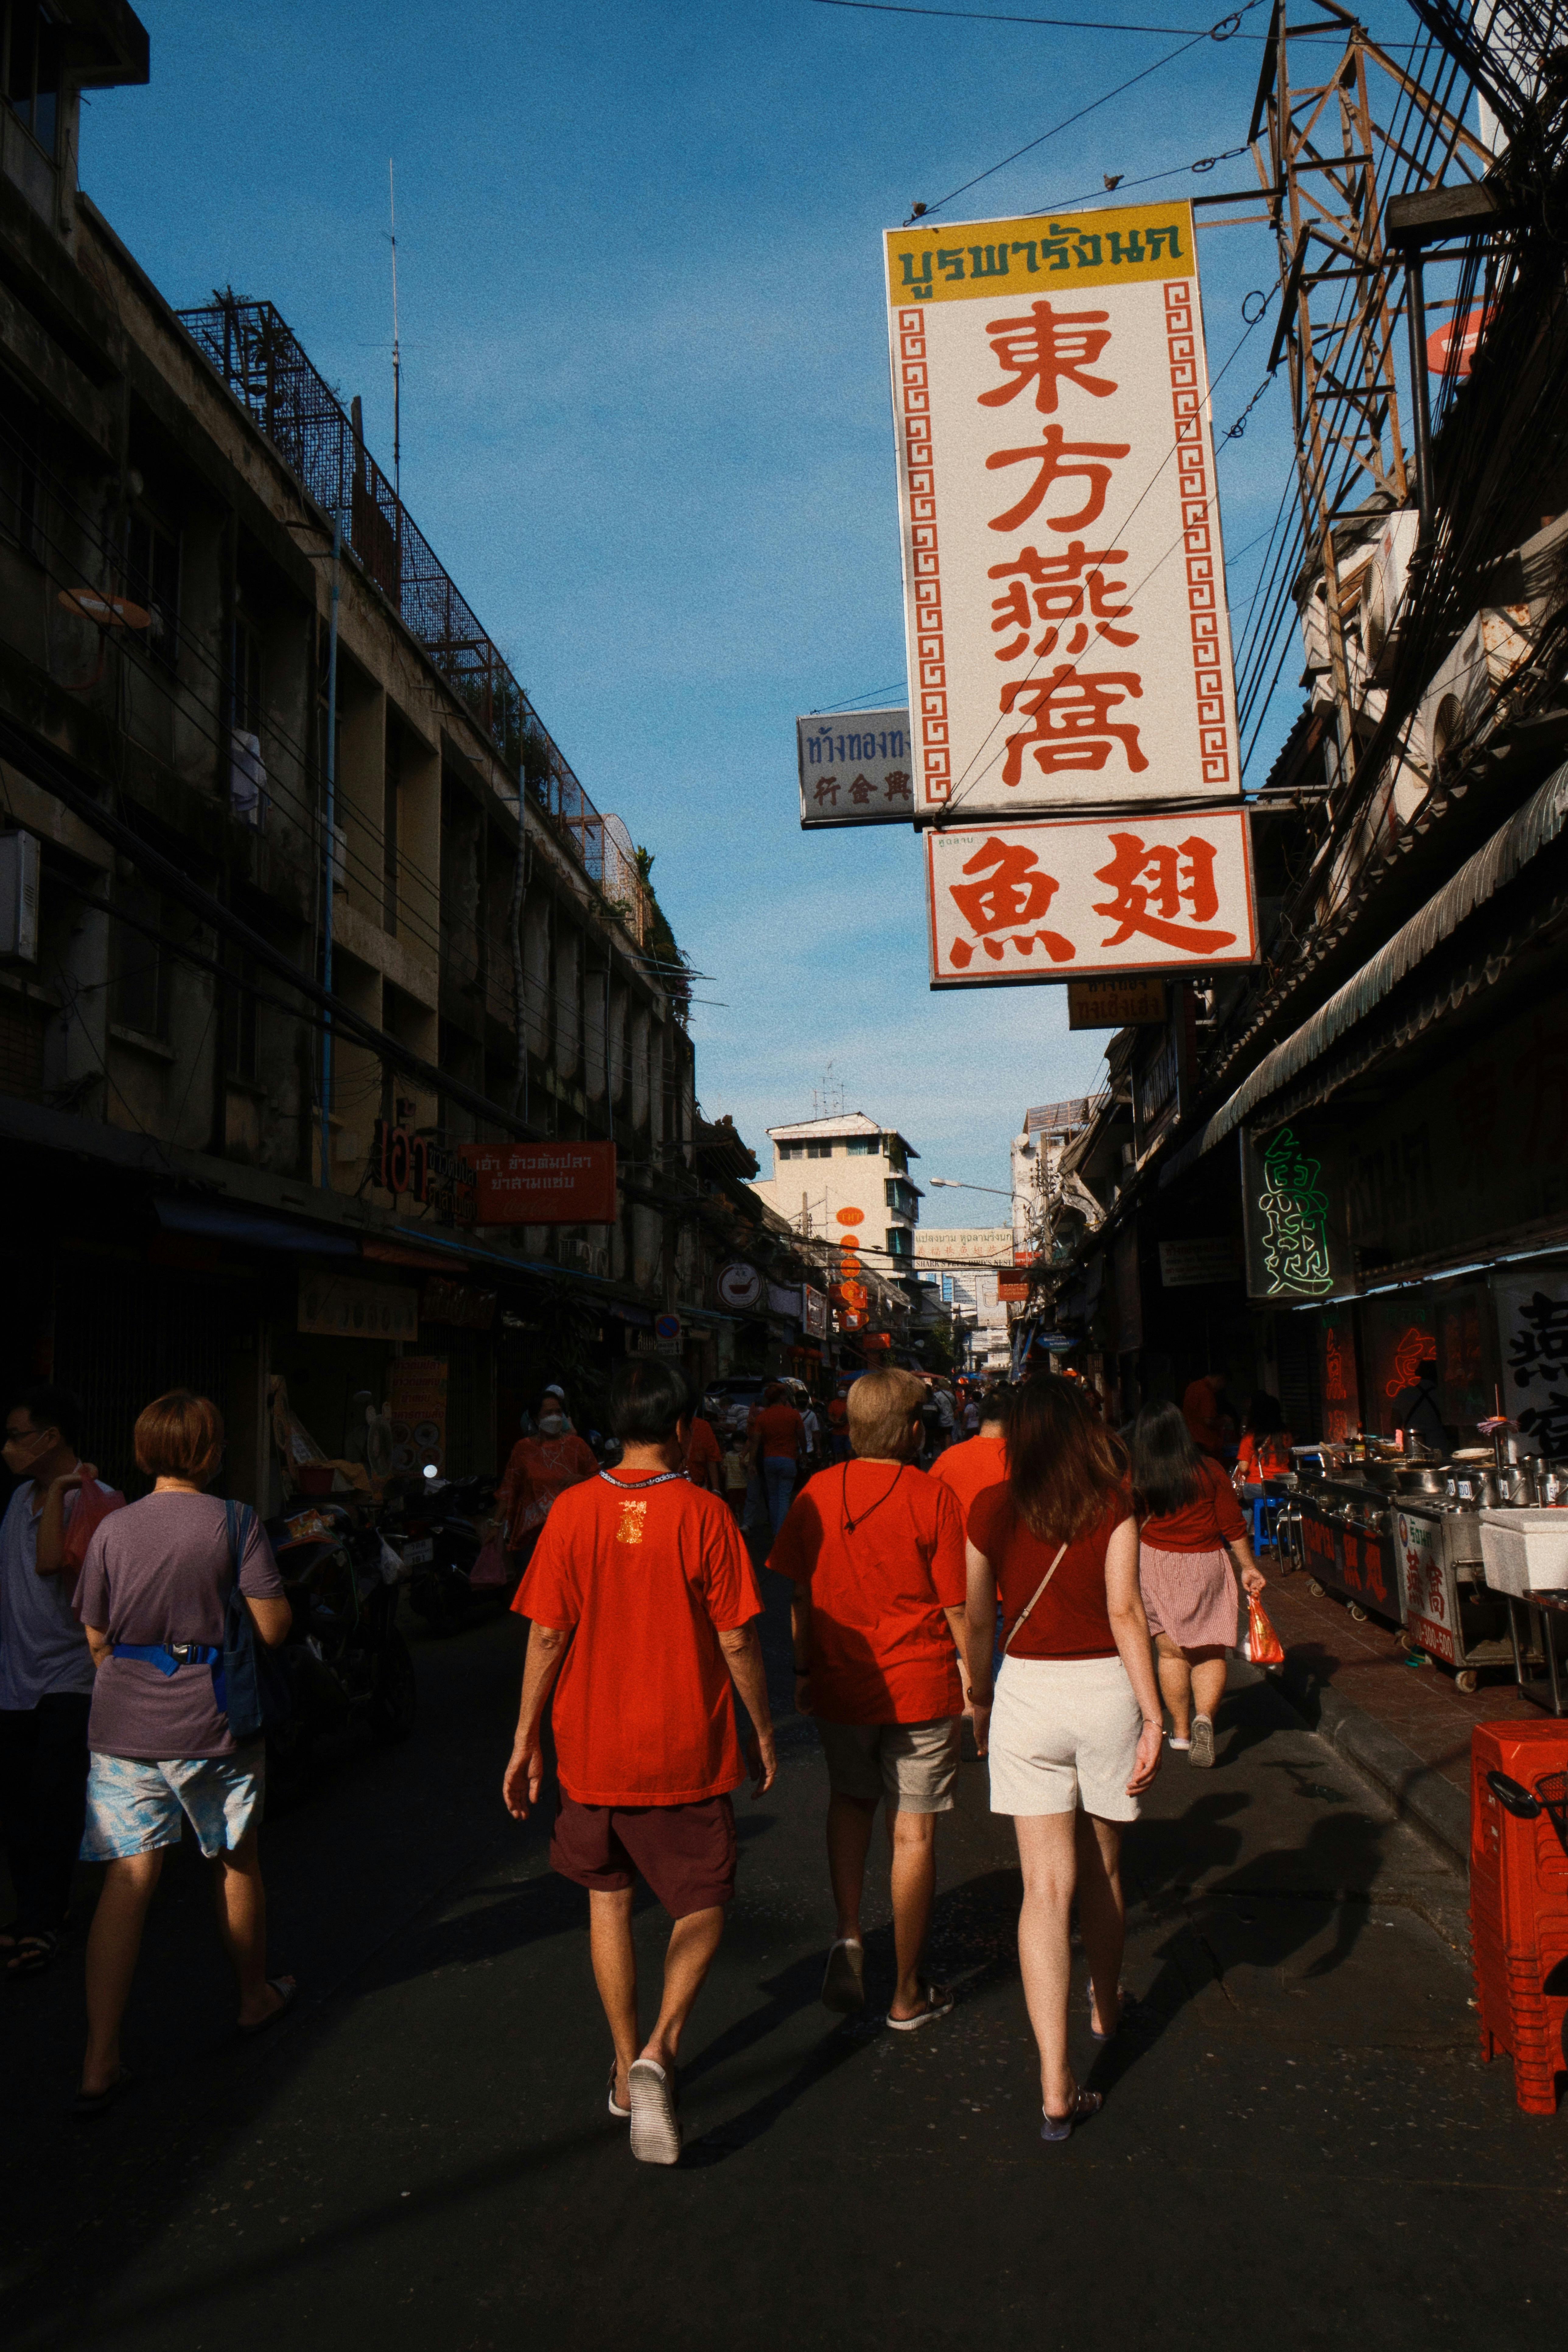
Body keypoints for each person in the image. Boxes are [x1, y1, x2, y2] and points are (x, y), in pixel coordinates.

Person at [503, 1360, 777, 2166]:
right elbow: (737, 1637)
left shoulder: (574, 1512)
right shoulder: (704, 1514)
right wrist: (763, 1727)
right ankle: (664, 2044)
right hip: (685, 1743)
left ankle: (626, 2071)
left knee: (607, 1900)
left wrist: (525, 1737)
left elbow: (548, 1632)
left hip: (590, 1745)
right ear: (681, 1426)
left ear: (613, 1425)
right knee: (702, 1901)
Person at [71, 1391, 294, 2115]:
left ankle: (100, 2058)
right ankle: (254, 1997)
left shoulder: (113, 1528)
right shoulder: (235, 1523)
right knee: (237, 1858)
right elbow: (273, 1629)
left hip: (122, 1727)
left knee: (129, 1880)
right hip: (213, 1725)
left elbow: (96, 1636)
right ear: (210, 1451)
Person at [964, 1376, 1164, 2144]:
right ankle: (1107, 2005)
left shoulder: (991, 1507)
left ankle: (1055, 2082)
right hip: (1104, 1693)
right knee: (1104, 1868)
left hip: (1027, 1696)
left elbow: (979, 1614)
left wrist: (979, 1696)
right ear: (1084, 1429)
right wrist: (1154, 1715)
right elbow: (1125, 1611)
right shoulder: (1113, 1500)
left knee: (1044, 1889)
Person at [769, 1366, 967, 2027]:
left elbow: (797, 1596)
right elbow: (955, 1606)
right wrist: (979, 1683)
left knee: (850, 1802)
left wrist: (801, 1673)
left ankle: (850, 1932)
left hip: (839, 1683)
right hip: (919, 1685)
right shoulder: (932, 1496)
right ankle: (906, 1992)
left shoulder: (815, 1493)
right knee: (911, 1832)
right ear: (913, 1431)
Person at [0, 1387, 117, 1979]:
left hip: (73, 1677)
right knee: (19, 1803)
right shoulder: (18, 1500)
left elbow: (82, 1585)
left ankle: (44, 1920)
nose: (7, 1448)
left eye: (16, 1436)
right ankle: (35, 1914)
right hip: (15, 1680)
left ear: (49, 1439)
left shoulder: (98, 1501)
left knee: (52, 1799)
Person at [1130, 1402, 1266, 1769]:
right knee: (1209, 1653)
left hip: (1156, 1563)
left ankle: (1180, 1732)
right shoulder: (1208, 1471)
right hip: (1206, 1563)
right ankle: (1204, 1716)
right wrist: (1248, 1568)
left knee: (1171, 1653)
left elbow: (1124, 1528)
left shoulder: (1137, 1478)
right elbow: (1233, 1525)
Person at [492, 1400, 599, 1577]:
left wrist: (581, 1479)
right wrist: (495, 1524)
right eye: (548, 1413)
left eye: (558, 1412)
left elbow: (599, 1480)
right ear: (535, 1419)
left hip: (572, 1534)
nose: (554, 1417)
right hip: (533, 1535)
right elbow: (510, 1487)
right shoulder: (523, 1449)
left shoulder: (577, 1446)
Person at [750, 1381, 805, 1538]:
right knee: (784, 1497)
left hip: (769, 1460)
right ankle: (781, 1534)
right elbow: (802, 1437)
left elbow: (755, 1442)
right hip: (788, 1459)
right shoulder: (793, 1414)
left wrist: (752, 1463)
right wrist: (804, 1453)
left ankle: (776, 1530)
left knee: (773, 1497)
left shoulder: (763, 1418)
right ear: (782, 1398)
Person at [1235, 1392, 1293, 1495]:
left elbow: (1244, 1467)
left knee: (1248, 1507)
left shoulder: (1250, 1436)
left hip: (1257, 1485)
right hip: (1283, 1485)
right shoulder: (1286, 1434)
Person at [1391, 1353, 1446, 1455]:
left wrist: (1400, 1443)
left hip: (1413, 1449)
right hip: (1440, 1449)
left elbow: (1395, 1423)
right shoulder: (1443, 1395)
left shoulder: (1404, 1394)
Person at [1181, 1371, 1233, 1462]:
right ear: (1220, 1380)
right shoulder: (1206, 1391)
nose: (1222, 1388)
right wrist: (1224, 1421)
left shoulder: (1192, 1387)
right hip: (1205, 1445)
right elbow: (1208, 1421)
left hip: (1191, 1441)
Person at [684, 1408, 723, 1493]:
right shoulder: (667, 1427)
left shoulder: (703, 1426)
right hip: (675, 1487)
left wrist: (716, 1489)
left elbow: (712, 1459)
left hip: (699, 1486)